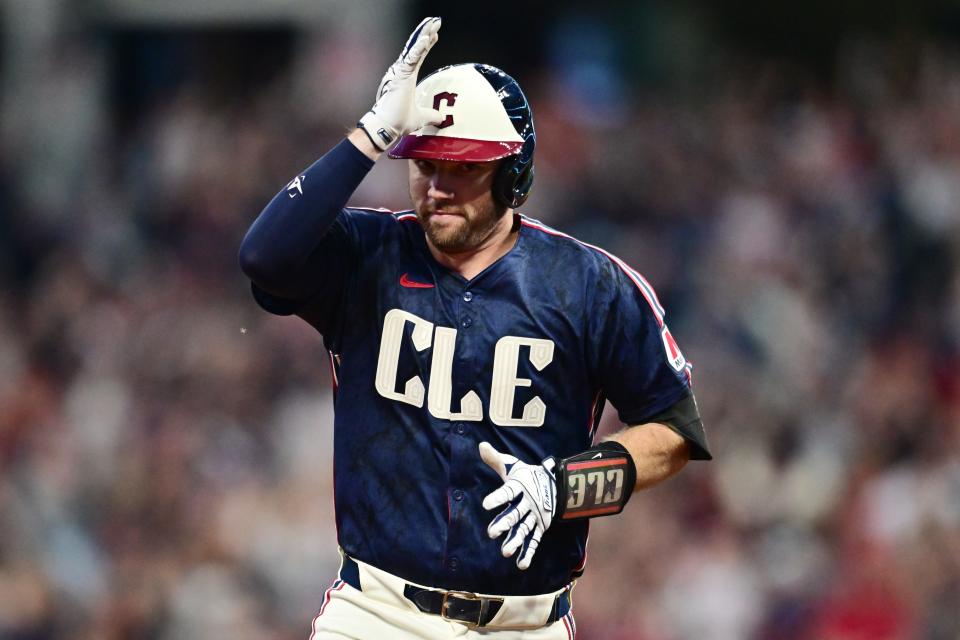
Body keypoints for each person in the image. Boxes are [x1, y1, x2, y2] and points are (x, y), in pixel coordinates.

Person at [239, 16, 711, 639]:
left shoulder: (589, 285)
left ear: (512, 175)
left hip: (524, 624)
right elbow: (264, 256)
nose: (436, 187)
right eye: (425, 164)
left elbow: (673, 433)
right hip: (376, 613)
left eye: (461, 168)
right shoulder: (369, 253)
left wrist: (564, 488)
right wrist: (373, 133)